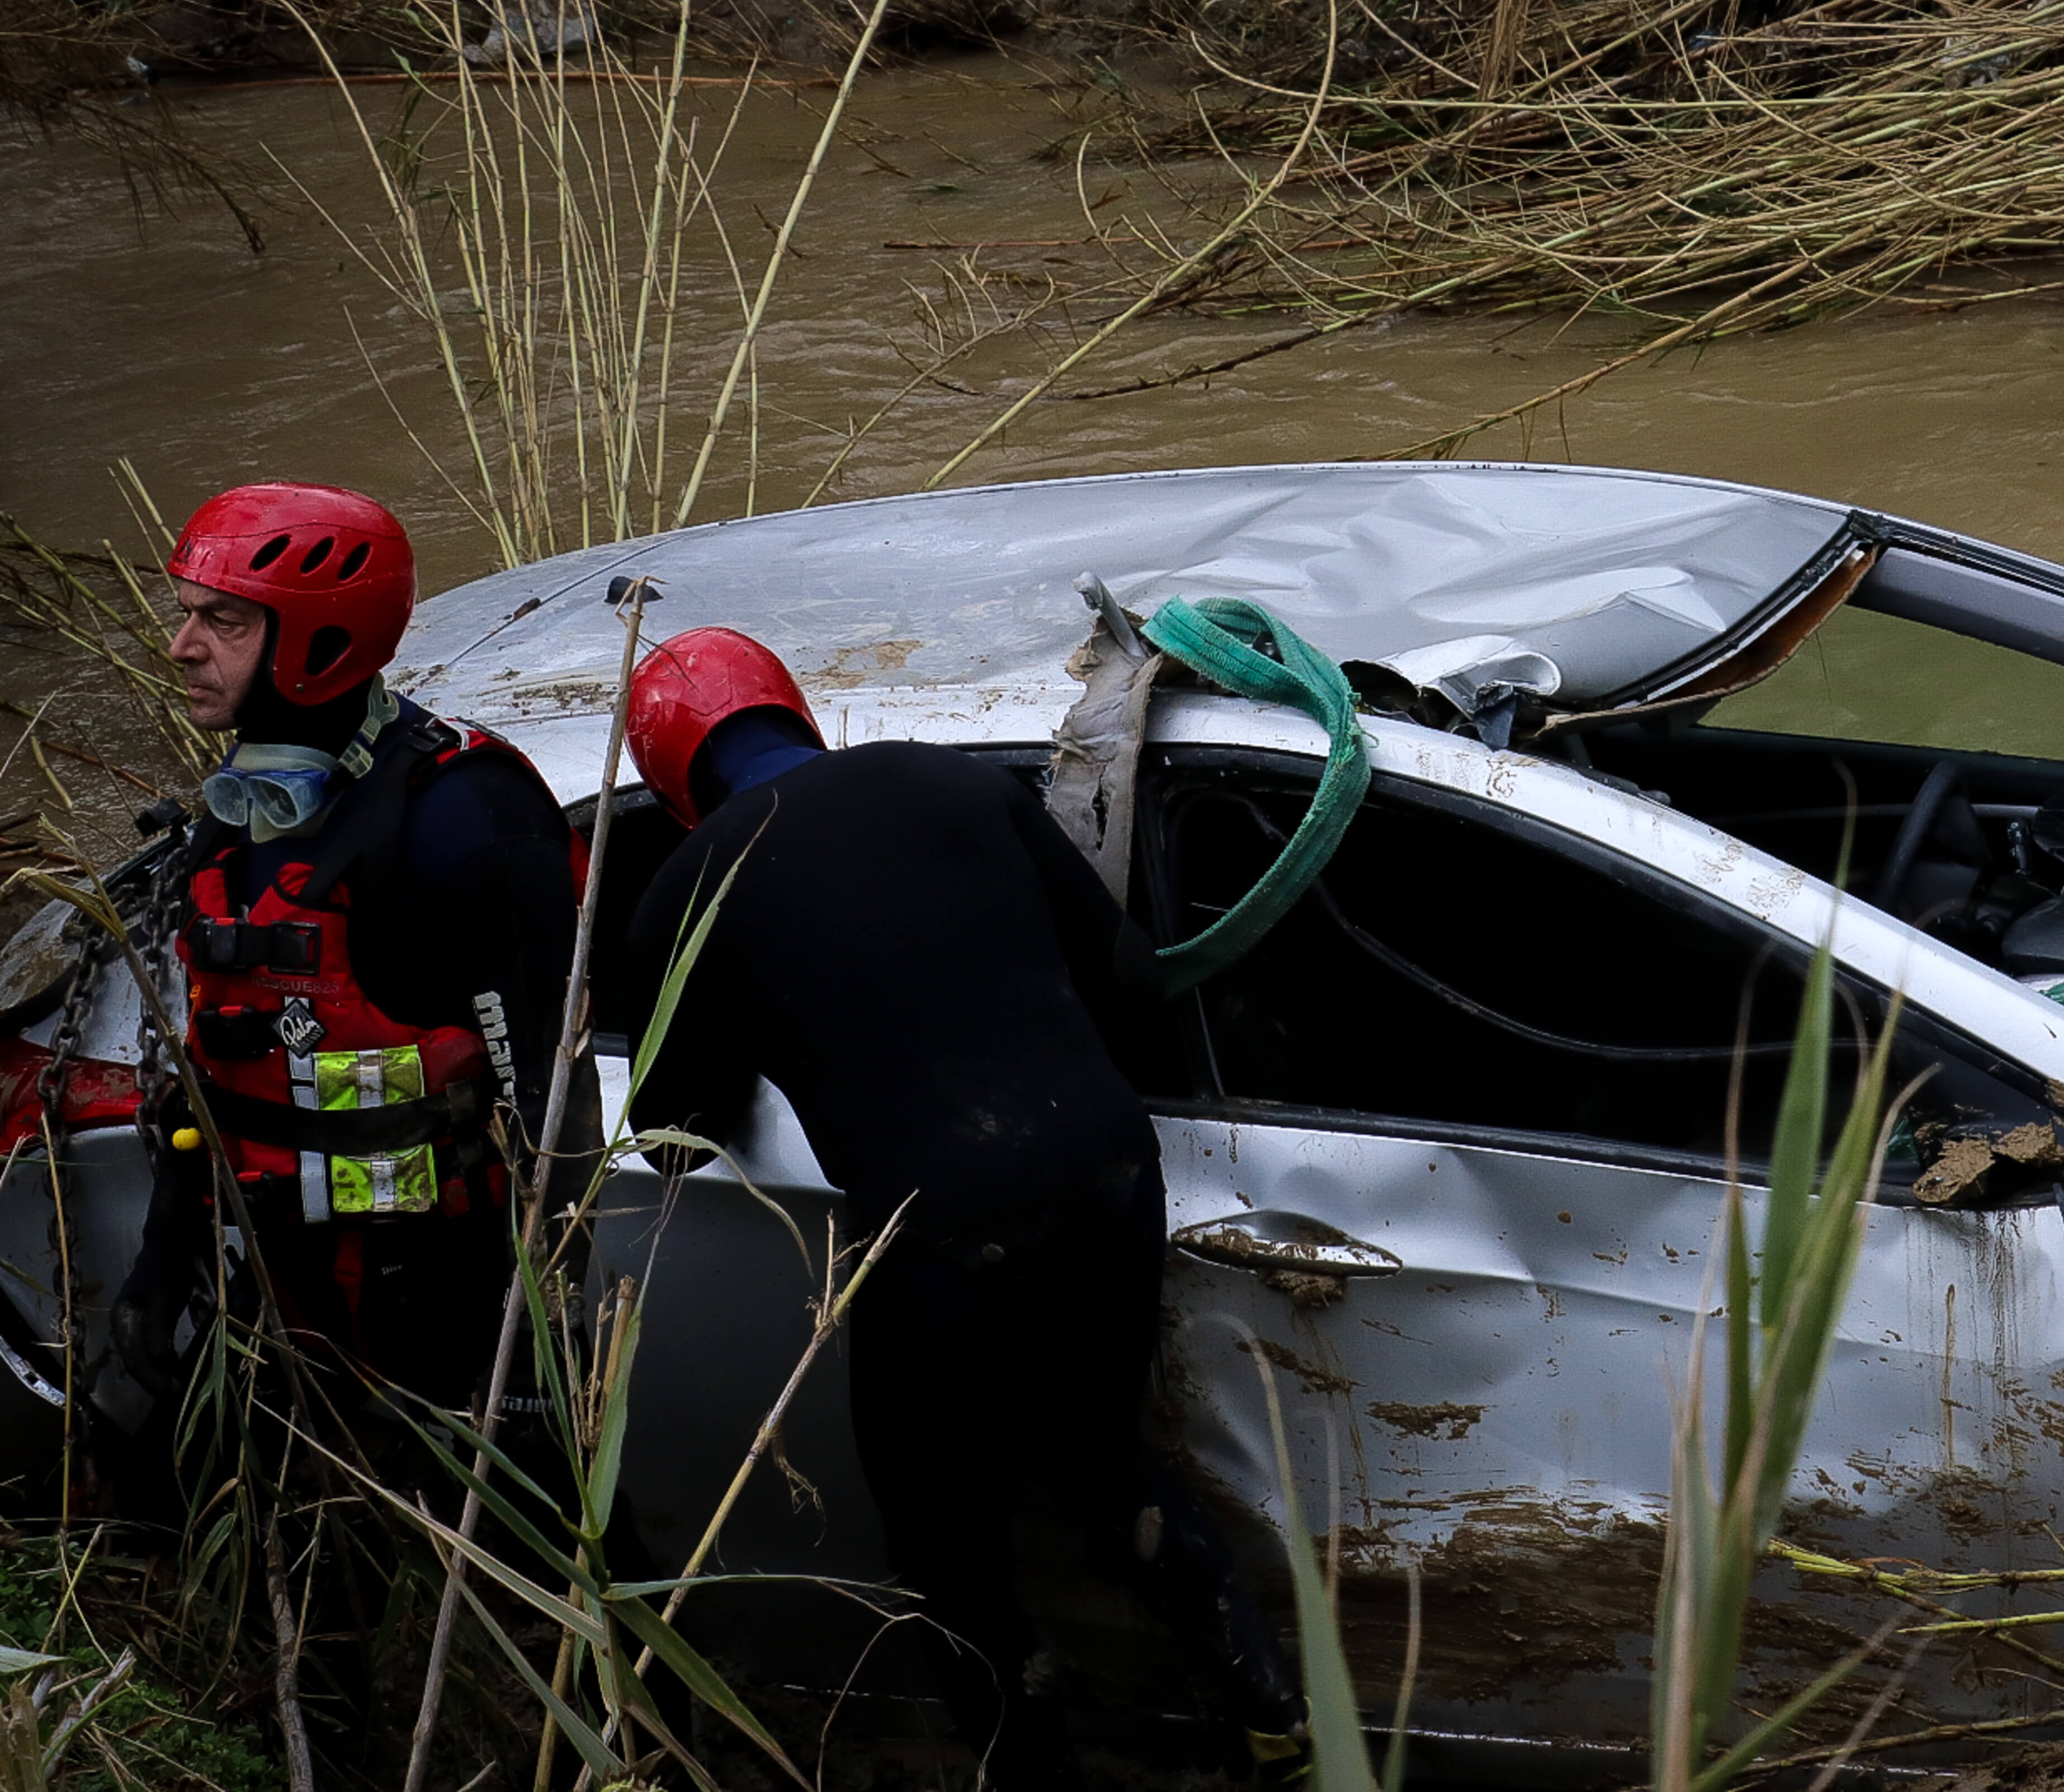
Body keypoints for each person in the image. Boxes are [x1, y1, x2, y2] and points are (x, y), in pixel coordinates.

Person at [602, 626, 1298, 1792]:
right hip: (1107, 1172)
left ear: (672, 779)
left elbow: (675, 1131)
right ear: (796, 708)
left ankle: (1028, 1774)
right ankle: (1284, 1718)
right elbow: (1130, 972)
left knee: (942, 1541)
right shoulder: (949, 776)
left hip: (945, 1229)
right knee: (1097, 1459)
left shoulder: (685, 888)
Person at [126, 480, 579, 1417]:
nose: (182, 647)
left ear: (319, 639)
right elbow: (215, 1064)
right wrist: (160, 1264)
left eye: (224, 622)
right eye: (185, 616)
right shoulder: (246, 807)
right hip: (284, 1286)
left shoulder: (464, 817)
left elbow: (554, 1105)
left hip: (446, 1298)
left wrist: (546, 1353)